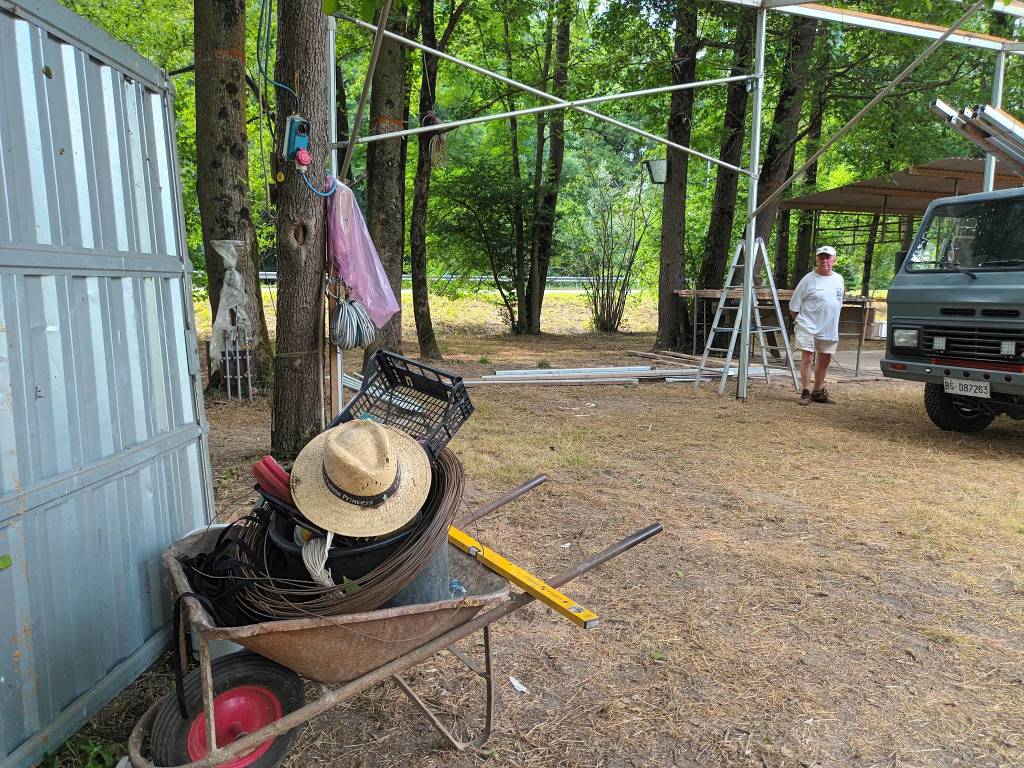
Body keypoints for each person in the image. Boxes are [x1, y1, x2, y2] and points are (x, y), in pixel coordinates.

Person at [789, 245, 844, 406]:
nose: (824, 260)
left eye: (828, 257)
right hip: (807, 325)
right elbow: (794, 306)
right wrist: (802, 323)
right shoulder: (808, 279)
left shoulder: (838, 279)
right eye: (821, 257)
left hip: (829, 327)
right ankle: (805, 392)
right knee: (808, 357)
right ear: (817, 259)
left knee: (825, 358)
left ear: (834, 260)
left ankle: (818, 391)